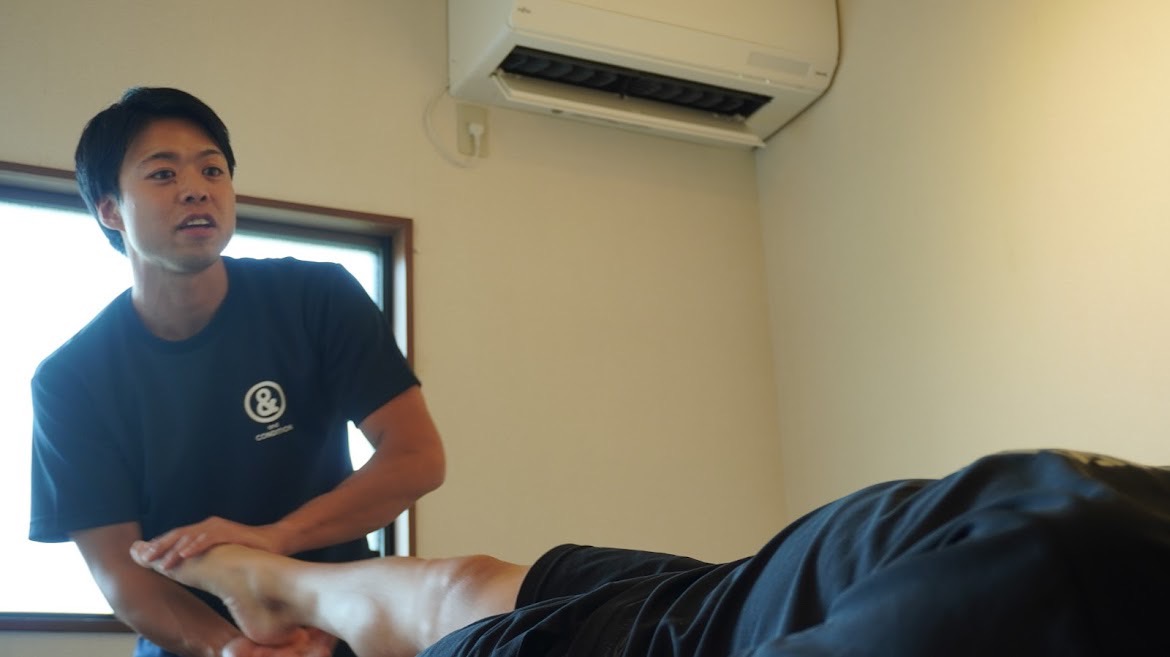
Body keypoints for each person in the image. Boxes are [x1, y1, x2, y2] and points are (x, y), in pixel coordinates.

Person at [28, 87, 446, 657]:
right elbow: (119, 570)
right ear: (109, 209)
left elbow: (417, 456)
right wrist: (230, 648)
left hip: (336, 617)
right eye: (163, 174)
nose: (197, 188)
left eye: (212, 169)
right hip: (191, 636)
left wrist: (272, 540)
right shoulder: (71, 380)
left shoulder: (316, 297)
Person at [135, 449, 1170, 657]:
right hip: (743, 590)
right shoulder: (1073, 568)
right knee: (464, 581)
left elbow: (416, 453)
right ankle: (279, 587)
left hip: (725, 615)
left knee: (461, 593)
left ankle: (276, 592)